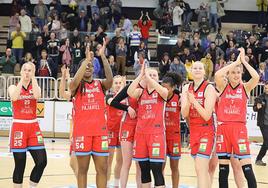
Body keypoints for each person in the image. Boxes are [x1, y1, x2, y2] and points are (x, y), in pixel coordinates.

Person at [69, 38, 113, 188]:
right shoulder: (76, 85)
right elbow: (73, 83)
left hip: (100, 132)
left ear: (94, 69)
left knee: (103, 169)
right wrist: (86, 60)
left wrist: (103, 57)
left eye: (90, 66)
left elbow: (110, 80)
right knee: (82, 170)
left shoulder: (100, 84)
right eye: (84, 66)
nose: (88, 67)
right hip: (82, 132)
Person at [214, 48, 259, 188]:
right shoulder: (222, 86)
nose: (236, 75)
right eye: (233, 72)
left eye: (238, 72)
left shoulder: (245, 87)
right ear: (229, 74)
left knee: (247, 168)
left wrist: (243, 62)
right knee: (223, 170)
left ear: (241, 74)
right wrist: (235, 63)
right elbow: (217, 74)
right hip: (223, 129)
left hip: (239, 129)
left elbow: (256, 77)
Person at [127, 64, 168, 188]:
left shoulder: (162, 91)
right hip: (141, 134)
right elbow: (129, 92)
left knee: (156, 168)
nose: (152, 77)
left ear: (158, 77)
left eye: (154, 75)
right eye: (149, 75)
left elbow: (164, 91)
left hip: (156, 134)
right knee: (144, 168)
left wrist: (148, 77)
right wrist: (140, 76)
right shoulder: (140, 92)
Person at [8, 62, 47, 188]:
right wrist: (22, 80)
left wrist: (33, 78)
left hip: (33, 126)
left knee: (42, 161)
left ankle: (32, 186)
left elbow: (36, 96)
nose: (27, 72)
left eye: (30, 70)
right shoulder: (13, 86)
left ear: (33, 72)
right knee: (20, 164)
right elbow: (14, 97)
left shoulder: (36, 86)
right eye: (25, 70)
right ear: (21, 72)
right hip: (19, 126)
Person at [181, 61, 217, 188]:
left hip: (207, 131)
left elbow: (207, 115)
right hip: (194, 131)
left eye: (200, 68)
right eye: (194, 68)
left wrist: (194, 102)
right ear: (190, 71)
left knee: (201, 167)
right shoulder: (186, 88)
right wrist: (189, 103)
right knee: (200, 170)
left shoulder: (209, 88)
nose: (197, 70)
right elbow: (184, 114)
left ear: (204, 71)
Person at [109, 82, 142, 188]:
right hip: (126, 126)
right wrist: (127, 108)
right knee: (125, 162)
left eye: (154, 75)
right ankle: (116, 184)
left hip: (142, 127)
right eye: (116, 83)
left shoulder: (152, 89)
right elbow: (112, 101)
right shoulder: (129, 89)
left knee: (140, 164)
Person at [162, 72, 183, 188]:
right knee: (161, 167)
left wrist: (183, 96)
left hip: (174, 136)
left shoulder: (179, 97)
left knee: (174, 167)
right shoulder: (160, 96)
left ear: (173, 88)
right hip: (161, 136)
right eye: (162, 87)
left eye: (167, 88)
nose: (164, 90)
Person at [59, 65, 79, 178]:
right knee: (73, 164)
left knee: (76, 163)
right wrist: (63, 77)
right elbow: (62, 92)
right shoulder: (74, 96)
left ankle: (81, 184)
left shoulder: (81, 94)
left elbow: (71, 88)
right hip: (75, 132)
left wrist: (68, 77)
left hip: (82, 132)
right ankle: (81, 183)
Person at [106, 75, 126, 187]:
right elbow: (114, 102)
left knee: (120, 161)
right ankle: (107, 184)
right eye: (116, 83)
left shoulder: (128, 99)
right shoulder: (109, 97)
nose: (118, 85)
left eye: (120, 83)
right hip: (110, 132)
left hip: (123, 132)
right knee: (108, 161)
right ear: (112, 85)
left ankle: (116, 184)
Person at [253, 81, 268, 166]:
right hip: (263, 123)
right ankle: (258, 159)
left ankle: (259, 159)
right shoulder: (260, 98)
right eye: (265, 88)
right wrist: (257, 107)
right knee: (266, 141)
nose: (266, 89)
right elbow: (254, 108)